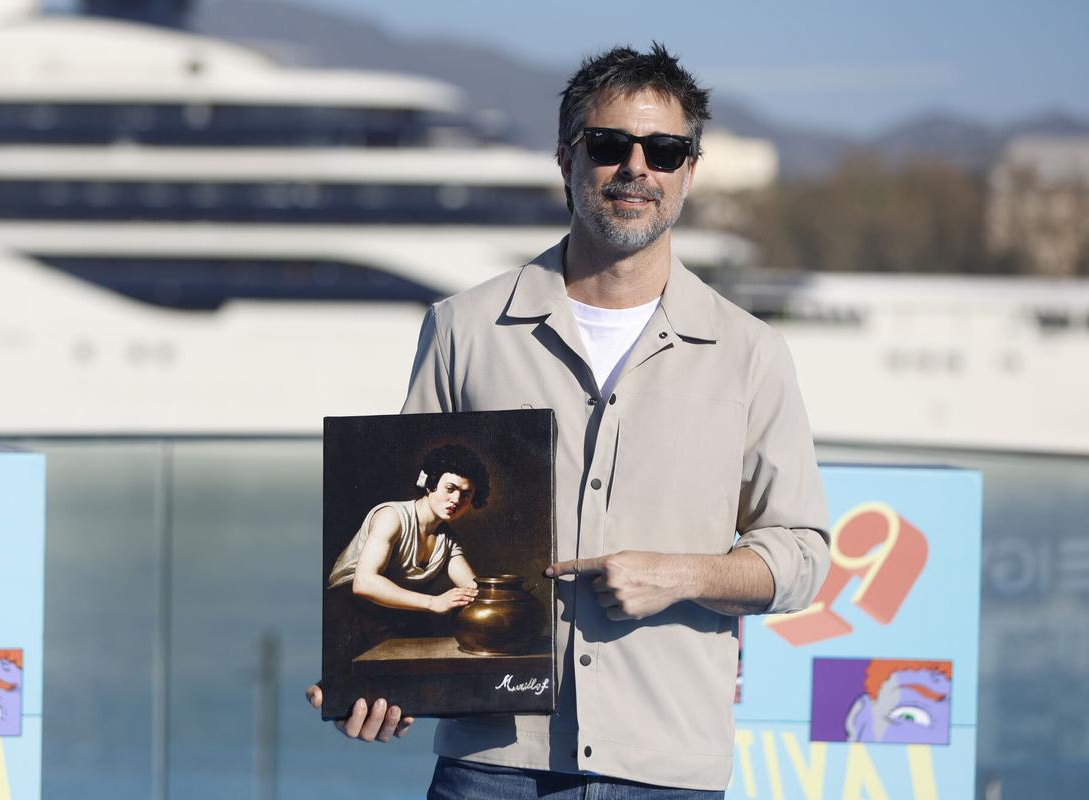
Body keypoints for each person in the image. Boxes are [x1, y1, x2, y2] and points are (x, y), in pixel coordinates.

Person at [308, 42, 830, 797]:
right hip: (492, 764)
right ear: (567, 159)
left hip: (666, 767)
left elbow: (804, 555)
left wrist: (680, 576)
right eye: (610, 145)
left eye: (664, 149)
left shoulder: (750, 354)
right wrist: (376, 680)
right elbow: (391, 532)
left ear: (690, 169)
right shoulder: (464, 329)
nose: (636, 168)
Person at [326, 443, 488, 654]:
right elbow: (363, 583)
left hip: (395, 612)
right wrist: (433, 602)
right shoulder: (392, 517)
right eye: (450, 489)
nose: (456, 500)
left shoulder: (449, 540)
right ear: (430, 485)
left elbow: (474, 590)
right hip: (349, 610)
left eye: (466, 495)